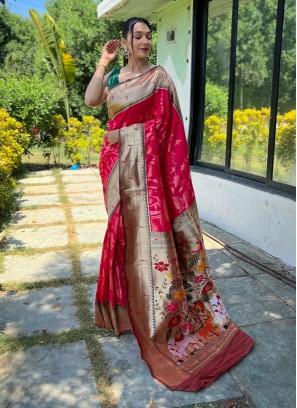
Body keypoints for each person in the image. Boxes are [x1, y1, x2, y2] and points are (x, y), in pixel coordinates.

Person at [85, 16, 255, 392]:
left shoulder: (160, 78)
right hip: (118, 171)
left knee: (153, 244)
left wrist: (127, 137)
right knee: (121, 236)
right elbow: (91, 99)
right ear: (125, 42)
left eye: (149, 36)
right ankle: (123, 313)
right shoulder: (114, 80)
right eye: (139, 36)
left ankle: (161, 315)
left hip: (151, 177)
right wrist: (102, 63)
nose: (146, 41)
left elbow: (170, 131)